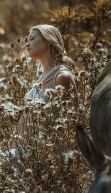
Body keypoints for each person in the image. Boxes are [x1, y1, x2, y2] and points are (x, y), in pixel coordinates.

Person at [9, 24, 77, 157]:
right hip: (25, 152)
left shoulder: (62, 77)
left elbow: (69, 123)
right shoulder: (41, 77)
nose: (26, 44)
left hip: (46, 155)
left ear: (48, 41)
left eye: (32, 39)